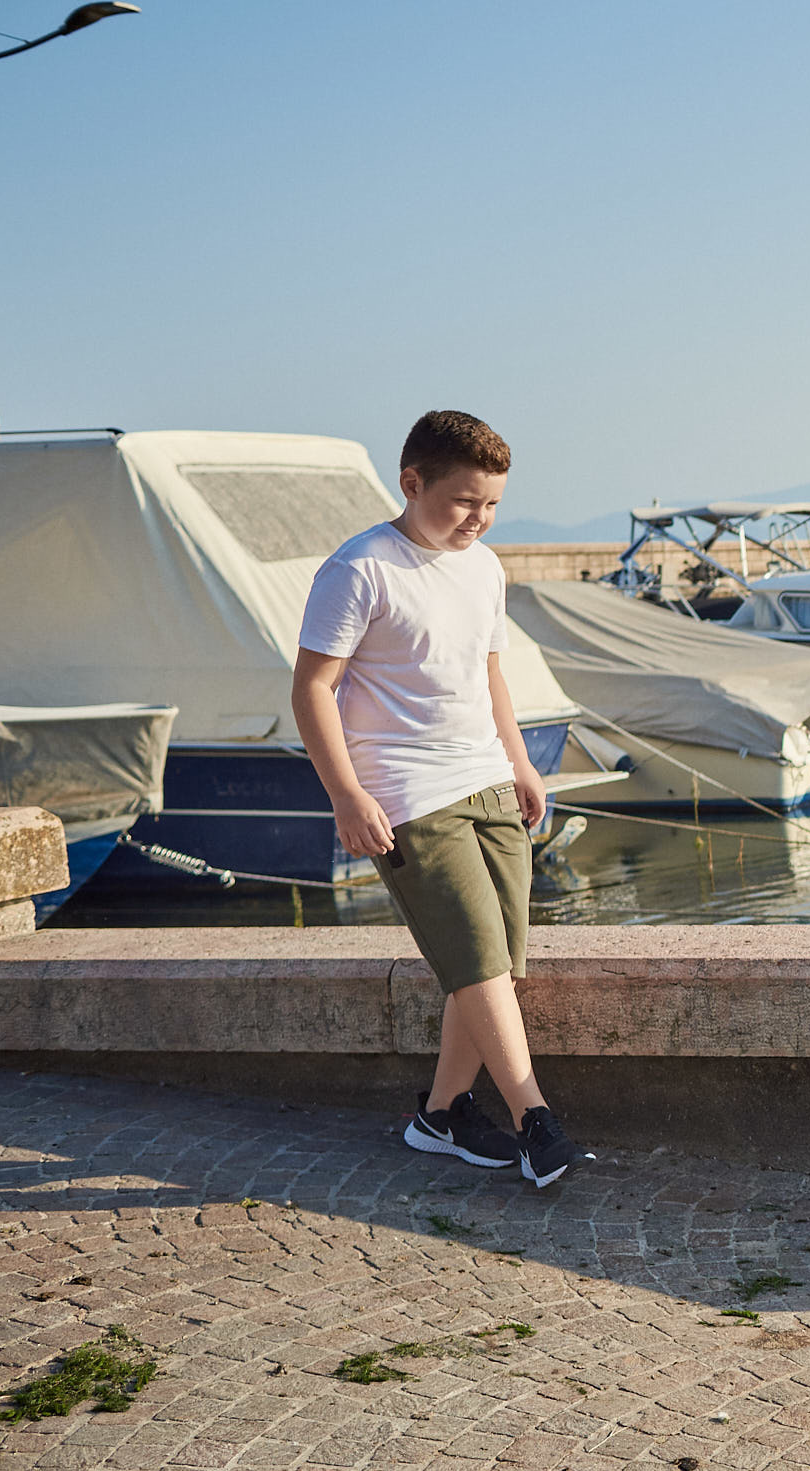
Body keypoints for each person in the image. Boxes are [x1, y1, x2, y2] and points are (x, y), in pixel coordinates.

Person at [289, 409, 577, 1187]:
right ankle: (534, 1119)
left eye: (491, 505)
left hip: (486, 778)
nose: (478, 520)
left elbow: (488, 675)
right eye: (462, 502)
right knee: (479, 959)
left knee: (491, 965)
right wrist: (345, 795)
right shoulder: (360, 569)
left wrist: (520, 763)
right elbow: (313, 688)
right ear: (411, 483)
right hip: (408, 792)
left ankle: (441, 1113)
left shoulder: (486, 569)